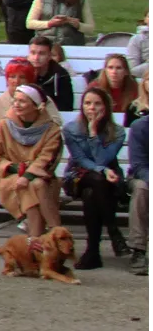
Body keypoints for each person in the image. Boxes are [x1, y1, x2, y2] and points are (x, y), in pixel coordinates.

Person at [0, 85, 64, 240]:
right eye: (15, 100)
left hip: (41, 175)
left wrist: (27, 175)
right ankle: (54, 230)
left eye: (22, 101)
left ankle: (35, 239)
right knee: (34, 186)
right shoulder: (4, 125)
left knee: (36, 184)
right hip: (8, 175)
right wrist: (14, 168)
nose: (16, 104)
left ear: (36, 105)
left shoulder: (51, 129)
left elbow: (48, 158)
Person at [65, 87, 127, 269]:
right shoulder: (70, 129)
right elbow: (80, 159)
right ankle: (113, 231)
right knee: (96, 179)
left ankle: (93, 252)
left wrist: (93, 132)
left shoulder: (117, 132)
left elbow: (102, 159)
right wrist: (102, 170)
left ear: (106, 107)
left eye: (97, 103)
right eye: (87, 103)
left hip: (109, 180)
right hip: (78, 176)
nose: (92, 108)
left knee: (92, 192)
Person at [126, 111, 150, 275]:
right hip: (142, 177)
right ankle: (138, 249)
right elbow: (138, 165)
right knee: (141, 188)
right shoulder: (140, 127)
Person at [27, 36, 78, 112]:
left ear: (49, 56)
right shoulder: (22, 71)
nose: (36, 58)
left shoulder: (61, 76)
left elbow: (66, 108)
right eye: (33, 53)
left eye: (42, 53)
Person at [90, 53, 141, 120]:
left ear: (126, 71)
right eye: (110, 67)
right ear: (105, 70)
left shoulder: (134, 87)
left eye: (118, 68)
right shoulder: (95, 87)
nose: (114, 72)